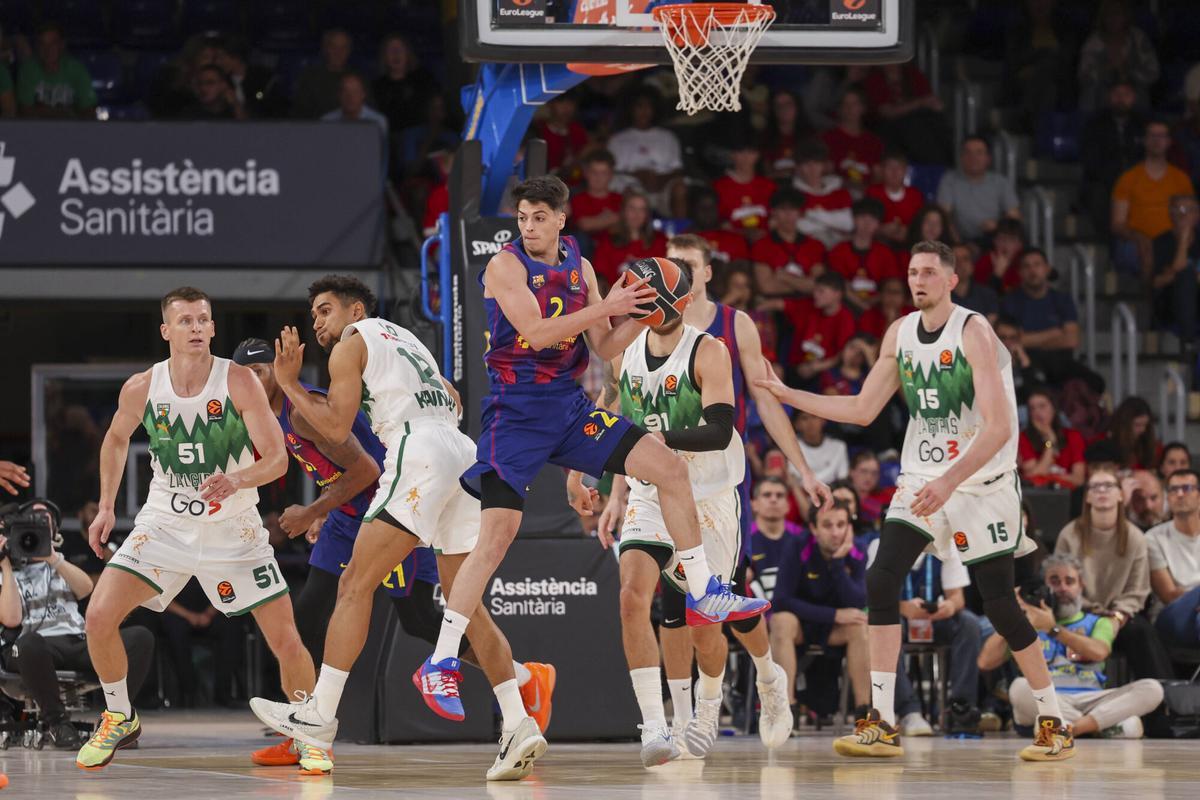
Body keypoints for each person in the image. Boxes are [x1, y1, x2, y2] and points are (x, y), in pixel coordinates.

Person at [417, 177, 770, 776]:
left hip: (569, 406)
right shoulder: (504, 266)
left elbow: (605, 347)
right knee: (495, 538)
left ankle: (704, 587)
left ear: (561, 218)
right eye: (522, 217)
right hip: (516, 413)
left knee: (667, 466)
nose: (528, 226)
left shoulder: (579, 265)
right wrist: (609, 305)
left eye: (539, 217)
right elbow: (536, 332)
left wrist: (645, 310)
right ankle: (442, 659)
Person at [756, 239, 1075, 761]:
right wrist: (789, 394)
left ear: (951, 280)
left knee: (999, 604)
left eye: (928, 272)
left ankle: (1053, 720)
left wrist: (950, 481)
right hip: (922, 478)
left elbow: (998, 428)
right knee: (880, 579)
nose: (918, 281)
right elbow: (862, 409)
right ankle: (881, 720)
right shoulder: (900, 333)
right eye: (912, 272)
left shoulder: (973, 331)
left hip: (981, 483)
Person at [244, 278, 546, 781]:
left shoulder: (351, 342)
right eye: (313, 313)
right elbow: (452, 396)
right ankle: (518, 721)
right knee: (464, 603)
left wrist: (289, 381)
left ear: (355, 311)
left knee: (354, 584)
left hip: (419, 451)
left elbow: (335, 428)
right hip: (462, 453)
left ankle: (319, 715)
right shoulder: (406, 339)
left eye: (325, 310)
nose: (317, 322)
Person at [77, 288, 322, 771]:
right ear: (166, 330)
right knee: (99, 616)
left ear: (212, 328)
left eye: (203, 320)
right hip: (165, 523)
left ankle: (308, 734)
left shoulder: (238, 381)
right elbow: (115, 439)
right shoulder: (142, 387)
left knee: (286, 639)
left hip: (233, 527)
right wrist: (106, 506)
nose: (195, 328)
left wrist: (236, 480)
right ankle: (120, 715)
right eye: (185, 320)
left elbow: (277, 459)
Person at [579, 266, 793, 764]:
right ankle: (657, 725)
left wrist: (657, 440)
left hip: (708, 494)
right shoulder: (624, 350)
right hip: (652, 493)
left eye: (652, 298)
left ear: (679, 301)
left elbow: (719, 430)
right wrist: (588, 474)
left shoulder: (708, 350)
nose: (645, 306)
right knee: (633, 597)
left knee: (704, 619)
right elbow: (610, 408)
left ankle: (748, 686)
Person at [0, 501, 152, 750]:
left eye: (45, 520)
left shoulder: (60, 564)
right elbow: (11, 619)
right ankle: (57, 723)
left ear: (55, 531)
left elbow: (86, 589)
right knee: (29, 643)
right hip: (35, 648)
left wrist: (52, 558)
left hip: (76, 641)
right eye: (33, 519)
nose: (39, 524)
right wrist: (5, 565)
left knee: (140, 637)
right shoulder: (6, 571)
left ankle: (114, 720)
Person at [981, 553, 1164, 738]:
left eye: (1069, 581)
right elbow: (985, 662)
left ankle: (1069, 727)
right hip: (1046, 698)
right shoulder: (1025, 625)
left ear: (1081, 586)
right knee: (1019, 687)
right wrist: (1012, 616)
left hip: (1093, 699)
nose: (1063, 588)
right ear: (1043, 586)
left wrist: (1053, 629)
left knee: (1152, 688)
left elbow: (1099, 652)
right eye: (1055, 581)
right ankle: (1098, 726)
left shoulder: (1098, 621)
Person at [1055, 469, 1171, 681]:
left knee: (1142, 632)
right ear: (1087, 497)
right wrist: (1092, 612)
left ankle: (1163, 695)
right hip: (1079, 612)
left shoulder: (1135, 537)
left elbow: (1137, 590)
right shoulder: (1069, 535)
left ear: (1120, 495)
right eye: (1095, 486)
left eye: (1109, 485)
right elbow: (1060, 583)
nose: (1102, 491)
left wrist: (1117, 617)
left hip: (1120, 616)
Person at [769, 502, 871, 720]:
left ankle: (864, 711)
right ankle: (786, 709)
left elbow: (857, 601)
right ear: (813, 528)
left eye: (841, 525)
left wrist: (837, 563)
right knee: (780, 621)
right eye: (827, 525)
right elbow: (781, 600)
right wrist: (833, 615)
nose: (835, 532)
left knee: (860, 627)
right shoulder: (797, 546)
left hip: (834, 628)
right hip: (801, 623)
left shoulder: (858, 549)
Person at [892, 547, 983, 737]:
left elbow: (957, 597)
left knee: (969, 623)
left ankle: (960, 708)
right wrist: (902, 607)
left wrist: (949, 606)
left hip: (934, 618)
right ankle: (908, 711)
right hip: (899, 617)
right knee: (884, 624)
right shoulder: (882, 545)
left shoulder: (945, 546)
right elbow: (873, 597)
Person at [1111, 120, 1195, 277]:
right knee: (1145, 251)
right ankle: (1151, 290)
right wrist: (1139, 237)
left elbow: (1190, 215)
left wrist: (1184, 238)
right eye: (1152, 135)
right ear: (1144, 140)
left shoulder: (1181, 179)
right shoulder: (1128, 178)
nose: (1157, 140)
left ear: (1169, 142)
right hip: (1136, 244)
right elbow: (1117, 223)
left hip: (1171, 242)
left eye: (1162, 136)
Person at [1080, 79, 1145, 237]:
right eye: (1117, 94)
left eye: (1126, 94)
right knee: (1099, 195)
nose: (1121, 99)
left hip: (1138, 181)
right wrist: (1119, 180)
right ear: (1109, 96)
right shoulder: (1095, 124)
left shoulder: (1142, 124)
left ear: (1134, 97)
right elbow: (1092, 162)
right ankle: (1109, 240)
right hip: (1106, 183)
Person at [607, 88, 685, 217]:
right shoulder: (617, 140)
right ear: (631, 109)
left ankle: (681, 227)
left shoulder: (668, 137)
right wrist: (639, 176)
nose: (644, 111)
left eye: (649, 106)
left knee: (680, 188)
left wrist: (661, 179)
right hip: (633, 187)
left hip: (663, 187)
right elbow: (612, 172)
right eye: (640, 106)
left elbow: (677, 169)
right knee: (622, 186)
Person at [1148, 469, 1200, 648]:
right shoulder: (1153, 538)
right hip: (1171, 615)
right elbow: (1169, 595)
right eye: (1173, 489)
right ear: (1167, 498)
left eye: (1187, 488)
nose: (1179, 494)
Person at [1077, 0, 1159, 113]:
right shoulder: (1094, 42)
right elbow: (1083, 75)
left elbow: (1153, 72)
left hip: (1133, 88)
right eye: (1109, 14)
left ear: (1126, 16)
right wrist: (1106, 70)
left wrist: (1128, 71)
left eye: (1117, 13)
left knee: (1139, 92)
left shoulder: (1138, 39)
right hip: (1103, 91)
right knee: (1090, 92)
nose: (1113, 18)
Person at [936, 136, 1021, 245]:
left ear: (988, 158)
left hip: (995, 240)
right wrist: (958, 244)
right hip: (960, 240)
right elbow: (944, 216)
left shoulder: (1000, 182)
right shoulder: (950, 180)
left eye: (979, 153)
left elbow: (1014, 216)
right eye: (968, 153)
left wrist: (998, 225)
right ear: (961, 157)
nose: (973, 157)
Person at [777, 272, 856, 389]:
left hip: (823, 371)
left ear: (837, 294)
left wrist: (817, 367)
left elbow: (843, 354)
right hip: (795, 367)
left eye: (821, 291)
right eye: (815, 290)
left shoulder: (846, 318)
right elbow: (781, 304)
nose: (815, 295)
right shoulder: (809, 305)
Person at [749, 187, 826, 297]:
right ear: (773, 212)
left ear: (800, 213)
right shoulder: (761, 246)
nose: (788, 214)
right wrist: (803, 283)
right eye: (783, 209)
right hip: (774, 303)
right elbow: (767, 288)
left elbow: (818, 286)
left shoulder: (815, 245)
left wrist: (785, 277)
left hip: (809, 303)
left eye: (793, 209)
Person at [828, 197, 901, 313]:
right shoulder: (839, 251)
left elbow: (891, 285)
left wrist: (872, 305)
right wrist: (864, 307)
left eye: (872, 219)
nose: (867, 224)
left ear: (878, 224)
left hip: (878, 308)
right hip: (846, 306)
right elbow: (839, 285)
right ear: (854, 219)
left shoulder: (885, 253)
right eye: (862, 217)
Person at [16, 22, 97, 119]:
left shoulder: (76, 70)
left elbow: (90, 111)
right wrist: (63, 112)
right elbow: (24, 111)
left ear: (62, 45)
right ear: (37, 47)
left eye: (53, 44)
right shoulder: (28, 70)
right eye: (43, 44)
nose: (48, 50)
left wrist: (43, 110)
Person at [591, 188, 667, 288]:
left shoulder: (660, 241)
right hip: (617, 296)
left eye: (642, 209)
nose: (637, 214)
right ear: (623, 211)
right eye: (632, 208)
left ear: (647, 214)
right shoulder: (607, 242)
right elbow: (599, 279)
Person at [1150, 194, 1199, 350]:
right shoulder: (1161, 242)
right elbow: (1157, 282)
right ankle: (1188, 342)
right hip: (1171, 302)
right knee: (1186, 278)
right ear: (1171, 214)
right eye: (1179, 209)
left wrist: (1173, 273)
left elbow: (1174, 271)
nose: (1183, 214)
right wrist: (1183, 242)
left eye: (1189, 209)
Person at [748, 477, 805, 603]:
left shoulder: (802, 537)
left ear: (788, 505)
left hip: (796, 607)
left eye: (779, 495)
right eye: (767, 495)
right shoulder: (743, 540)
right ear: (754, 504)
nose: (773, 499)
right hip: (757, 609)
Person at [1019, 387, 1087, 489]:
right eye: (1032, 408)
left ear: (1054, 408)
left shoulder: (1073, 436)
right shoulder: (1024, 438)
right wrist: (1050, 442)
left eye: (1042, 406)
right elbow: (1033, 476)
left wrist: (1051, 477)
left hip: (1067, 493)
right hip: (1037, 494)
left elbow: (1078, 479)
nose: (1037, 412)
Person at [822, 86, 883, 196]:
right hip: (837, 194)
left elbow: (878, 176)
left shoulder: (873, 141)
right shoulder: (828, 138)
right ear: (839, 109)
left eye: (854, 104)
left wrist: (867, 191)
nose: (849, 108)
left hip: (866, 196)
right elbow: (825, 173)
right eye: (845, 104)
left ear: (863, 108)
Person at [371, 33, 436, 136]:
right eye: (391, 50)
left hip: (419, 136)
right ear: (384, 56)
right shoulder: (377, 86)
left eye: (400, 50)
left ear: (408, 54)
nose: (396, 54)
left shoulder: (423, 81)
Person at [794, 140, 853, 248]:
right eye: (807, 164)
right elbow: (799, 226)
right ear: (798, 168)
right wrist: (833, 224)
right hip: (807, 248)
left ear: (824, 166)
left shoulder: (840, 192)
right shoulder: (793, 194)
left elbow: (849, 224)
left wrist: (809, 214)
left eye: (816, 163)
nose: (812, 169)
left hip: (839, 248)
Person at [712, 140, 776, 236]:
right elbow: (718, 223)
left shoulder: (769, 186)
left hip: (765, 240)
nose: (746, 157)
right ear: (732, 155)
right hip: (732, 240)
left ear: (757, 155)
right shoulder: (719, 186)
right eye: (741, 152)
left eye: (751, 152)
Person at [867, 150, 926, 250]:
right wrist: (881, 230)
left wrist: (909, 232)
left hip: (909, 247)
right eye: (889, 167)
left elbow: (922, 225)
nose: (894, 172)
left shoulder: (915, 195)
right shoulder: (873, 193)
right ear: (882, 170)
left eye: (899, 167)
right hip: (877, 246)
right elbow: (863, 224)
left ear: (905, 171)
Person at [293, 29, 352, 119]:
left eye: (343, 48)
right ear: (325, 49)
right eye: (333, 47)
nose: (338, 52)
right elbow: (300, 112)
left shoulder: (358, 79)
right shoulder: (309, 78)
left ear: (348, 51)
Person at [759, 88, 813, 182]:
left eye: (788, 104)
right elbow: (766, 173)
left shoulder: (811, 136)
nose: (784, 109)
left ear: (797, 107)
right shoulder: (764, 138)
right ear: (773, 110)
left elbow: (823, 167)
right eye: (778, 106)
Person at [570, 150, 622, 238]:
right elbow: (584, 225)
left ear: (611, 175)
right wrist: (614, 219)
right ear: (586, 173)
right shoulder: (578, 199)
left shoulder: (620, 199)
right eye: (594, 172)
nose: (598, 177)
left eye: (603, 173)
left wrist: (597, 221)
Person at [792, 411, 849, 488]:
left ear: (823, 420)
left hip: (833, 491)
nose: (810, 423)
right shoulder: (790, 445)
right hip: (800, 491)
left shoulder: (839, 446)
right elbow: (792, 478)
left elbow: (842, 478)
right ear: (796, 424)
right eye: (804, 418)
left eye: (814, 417)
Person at [321, 73, 388, 138]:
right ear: (339, 95)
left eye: (355, 92)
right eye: (345, 91)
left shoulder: (378, 121)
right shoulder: (326, 121)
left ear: (363, 94)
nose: (350, 97)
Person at [1106, 396, 1161, 470]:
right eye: (1137, 425)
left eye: (1145, 425)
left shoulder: (1152, 446)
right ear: (1124, 425)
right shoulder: (1104, 444)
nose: (1143, 430)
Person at [974, 218, 1026, 293]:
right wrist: (997, 275)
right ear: (994, 241)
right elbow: (982, 296)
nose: (1005, 244)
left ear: (1020, 244)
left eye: (1011, 240)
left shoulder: (1025, 262)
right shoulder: (983, 262)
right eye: (1001, 238)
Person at [951, 243, 999, 323]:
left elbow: (988, 326)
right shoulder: (938, 296)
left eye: (965, 259)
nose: (960, 264)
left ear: (972, 266)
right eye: (955, 259)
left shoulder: (988, 296)